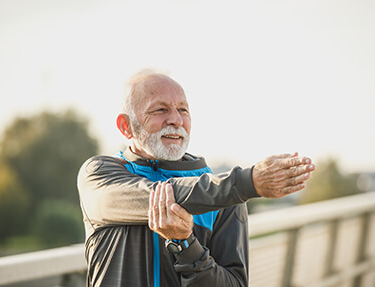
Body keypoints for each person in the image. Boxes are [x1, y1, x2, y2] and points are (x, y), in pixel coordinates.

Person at [77, 69, 315, 287]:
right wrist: (249, 182)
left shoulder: (227, 199)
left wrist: (186, 246)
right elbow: (161, 195)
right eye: (160, 110)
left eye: (183, 110)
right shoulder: (99, 175)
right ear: (126, 126)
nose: (176, 120)